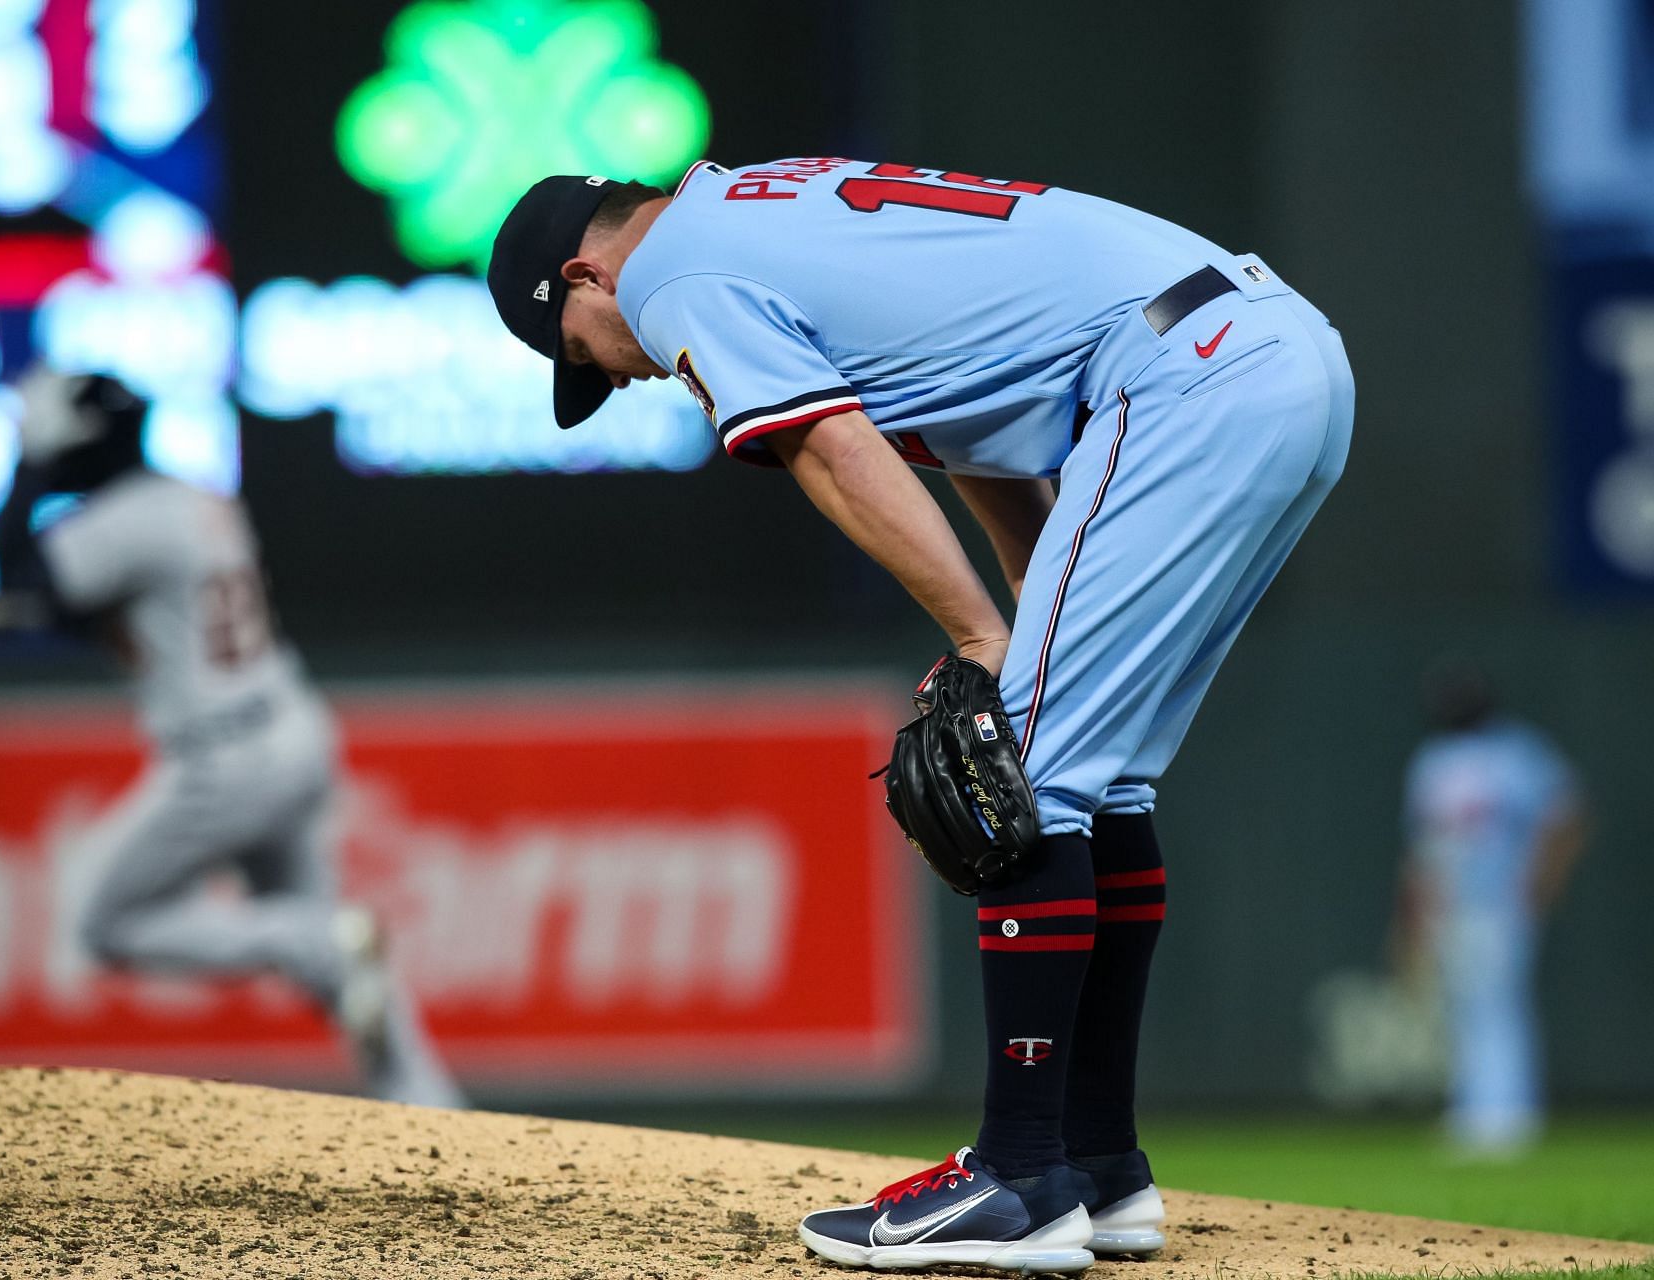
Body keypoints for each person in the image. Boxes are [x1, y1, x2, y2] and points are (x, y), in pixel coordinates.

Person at [487, 158, 1353, 1273]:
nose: (624, 372)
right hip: (1273, 353)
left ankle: (1019, 1174)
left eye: (584, 355)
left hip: (1183, 378)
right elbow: (989, 449)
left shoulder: (670, 274)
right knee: (1096, 771)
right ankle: (1098, 1162)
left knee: (1020, 774)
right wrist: (1033, 635)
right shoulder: (768, 222)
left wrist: (985, 644)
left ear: (586, 275)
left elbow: (829, 447)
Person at [0, 367, 463, 1109]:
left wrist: (31, 464)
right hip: (290, 728)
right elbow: (77, 603)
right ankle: (434, 1111)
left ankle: (304, 939)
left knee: (102, 921)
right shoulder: (193, 497)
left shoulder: (121, 522)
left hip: (224, 761)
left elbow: (8, 580)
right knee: (349, 977)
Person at [1396, 663, 1586, 1157]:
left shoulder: (1516, 751)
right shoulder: (1433, 760)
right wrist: (1417, 910)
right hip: (1451, 904)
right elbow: (1422, 847)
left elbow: (1566, 816)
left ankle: (1509, 1116)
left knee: (1499, 1005)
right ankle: (1474, 1111)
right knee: (1463, 1009)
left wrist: (1541, 883)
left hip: (1500, 901)